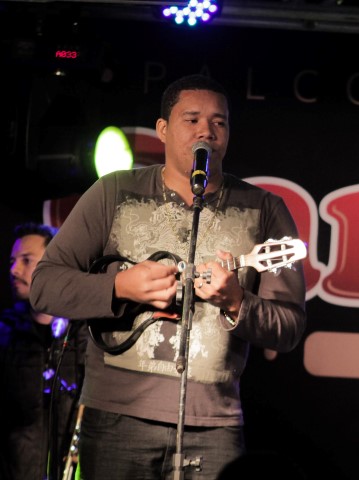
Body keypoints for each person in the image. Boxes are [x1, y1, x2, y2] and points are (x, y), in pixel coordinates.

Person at [29, 74, 307, 479]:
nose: (206, 131)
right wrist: (120, 286)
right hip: (116, 418)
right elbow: (44, 287)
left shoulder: (265, 208)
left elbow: (289, 326)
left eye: (219, 122)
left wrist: (236, 302)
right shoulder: (114, 191)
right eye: (191, 120)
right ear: (162, 129)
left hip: (213, 425)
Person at [0, 222, 87, 480]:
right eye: (12, 261)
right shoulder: (5, 332)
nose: (14, 270)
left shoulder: (84, 333)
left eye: (26, 260)